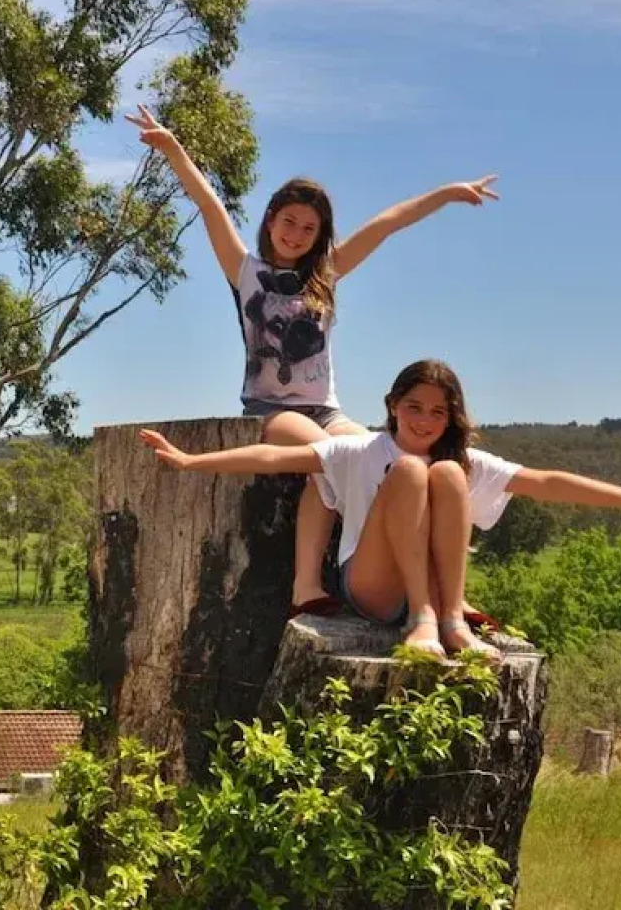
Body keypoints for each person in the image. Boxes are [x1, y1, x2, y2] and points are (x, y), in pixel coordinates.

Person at [126, 105, 499, 617]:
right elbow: (208, 203)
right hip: (270, 408)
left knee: (390, 458)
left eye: (308, 228)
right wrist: (172, 148)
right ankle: (306, 585)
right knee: (329, 459)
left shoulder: (327, 272)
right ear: (272, 222)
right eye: (289, 222)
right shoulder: (245, 270)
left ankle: (435, 586)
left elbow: (387, 224)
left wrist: (448, 194)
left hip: (324, 406)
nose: (297, 234)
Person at [137, 359, 621, 660]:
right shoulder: (363, 451)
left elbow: (547, 482)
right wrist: (191, 463)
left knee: (447, 473)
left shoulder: (461, 459)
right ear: (392, 406)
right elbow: (271, 454)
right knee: (410, 470)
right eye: (414, 407)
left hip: (432, 584)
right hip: (373, 584)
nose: (426, 420)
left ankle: (448, 619)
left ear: (451, 415)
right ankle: (422, 622)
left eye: (438, 410)